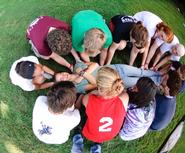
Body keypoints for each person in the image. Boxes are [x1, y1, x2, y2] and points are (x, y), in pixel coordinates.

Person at [71, 67, 129, 153]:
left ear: (99, 88)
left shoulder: (88, 98)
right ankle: (97, 148)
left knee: (82, 110)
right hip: (108, 136)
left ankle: (77, 139)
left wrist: (94, 93)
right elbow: (121, 93)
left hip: (90, 133)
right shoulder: (124, 98)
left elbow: (86, 97)